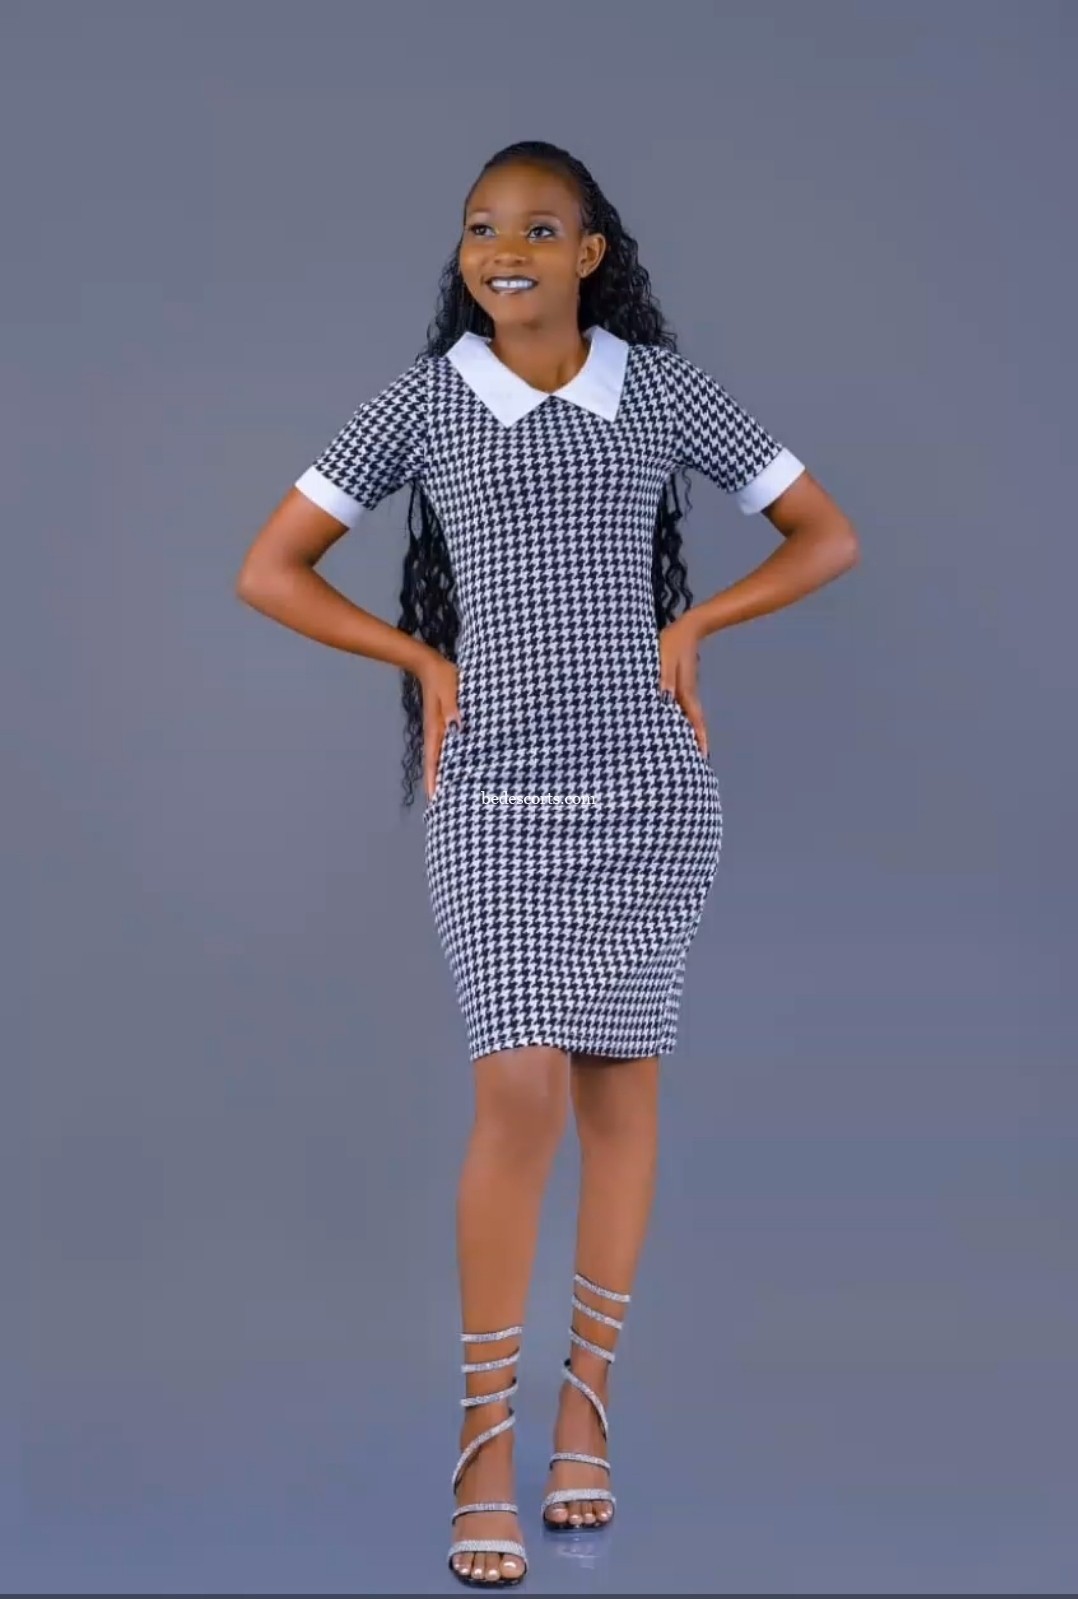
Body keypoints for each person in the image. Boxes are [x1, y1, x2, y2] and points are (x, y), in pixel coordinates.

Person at [236, 138, 859, 1588]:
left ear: (590, 254)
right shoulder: (423, 400)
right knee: (517, 1092)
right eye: (480, 228)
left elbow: (824, 537)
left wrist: (695, 626)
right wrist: (419, 661)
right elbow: (269, 569)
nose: (501, 251)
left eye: (535, 228)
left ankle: (586, 1413)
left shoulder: (661, 390)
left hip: (649, 791)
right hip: (498, 798)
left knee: (620, 1096)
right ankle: (482, 1438)